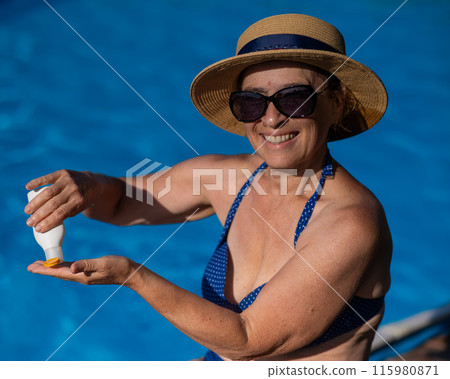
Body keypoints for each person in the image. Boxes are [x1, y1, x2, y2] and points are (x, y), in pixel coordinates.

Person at [25, 14, 392, 361]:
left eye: (295, 98)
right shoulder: (227, 178)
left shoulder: (351, 221)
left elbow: (249, 340)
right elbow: (121, 202)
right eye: (251, 102)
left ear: (337, 103)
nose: (271, 118)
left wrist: (132, 276)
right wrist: (87, 185)